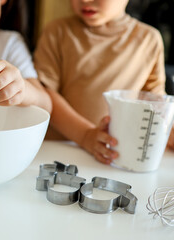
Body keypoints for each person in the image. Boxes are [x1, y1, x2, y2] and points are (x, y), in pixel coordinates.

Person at [34, 0, 166, 164]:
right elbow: (43, 93)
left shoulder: (149, 39)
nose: (85, 0)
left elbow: (157, 102)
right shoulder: (57, 31)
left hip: (114, 156)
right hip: (59, 152)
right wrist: (85, 135)